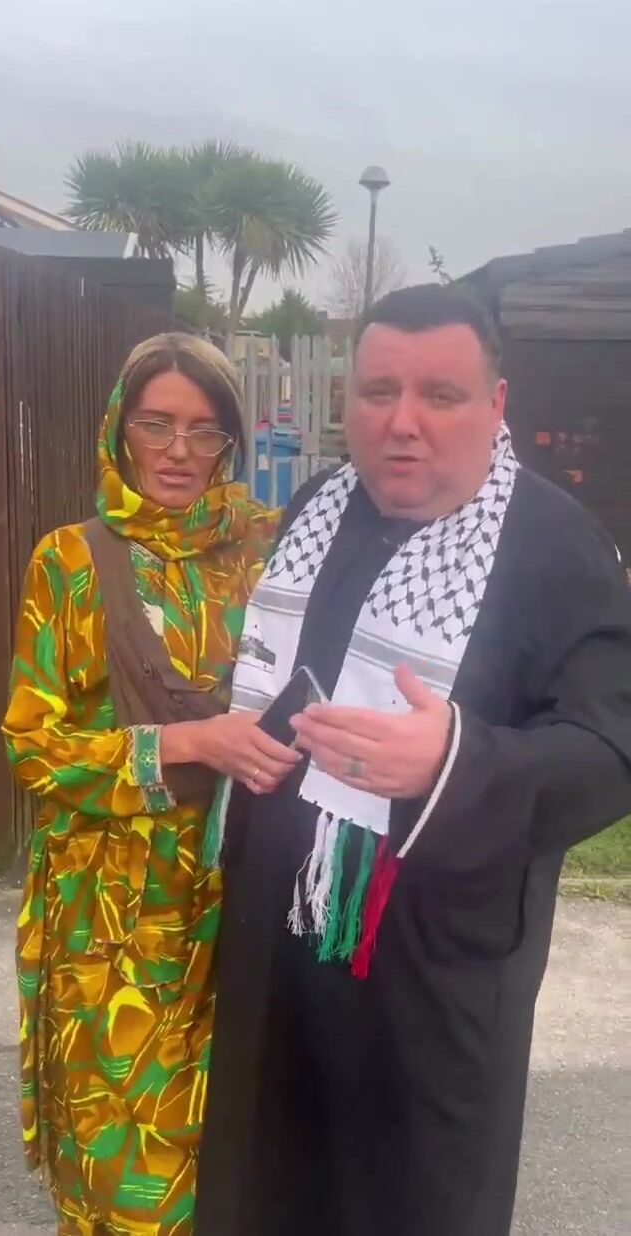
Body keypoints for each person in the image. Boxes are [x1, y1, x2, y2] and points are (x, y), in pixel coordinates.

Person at [195, 285, 631, 1236]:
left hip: (434, 974)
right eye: (379, 391)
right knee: (268, 1184)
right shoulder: (316, 510)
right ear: (346, 400)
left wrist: (456, 761)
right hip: (277, 947)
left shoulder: (559, 548)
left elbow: (610, 748)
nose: (403, 422)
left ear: (496, 403)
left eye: (441, 395)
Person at [3, 333, 295, 1236]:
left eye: (205, 431)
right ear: (118, 429)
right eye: (156, 424)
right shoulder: (69, 563)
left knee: (232, 1147)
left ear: (231, 441)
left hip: (235, 896)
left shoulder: (269, 554)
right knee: (123, 1165)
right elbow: (33, 747)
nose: (177, 451)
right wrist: (179, 744)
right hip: (112, 913)